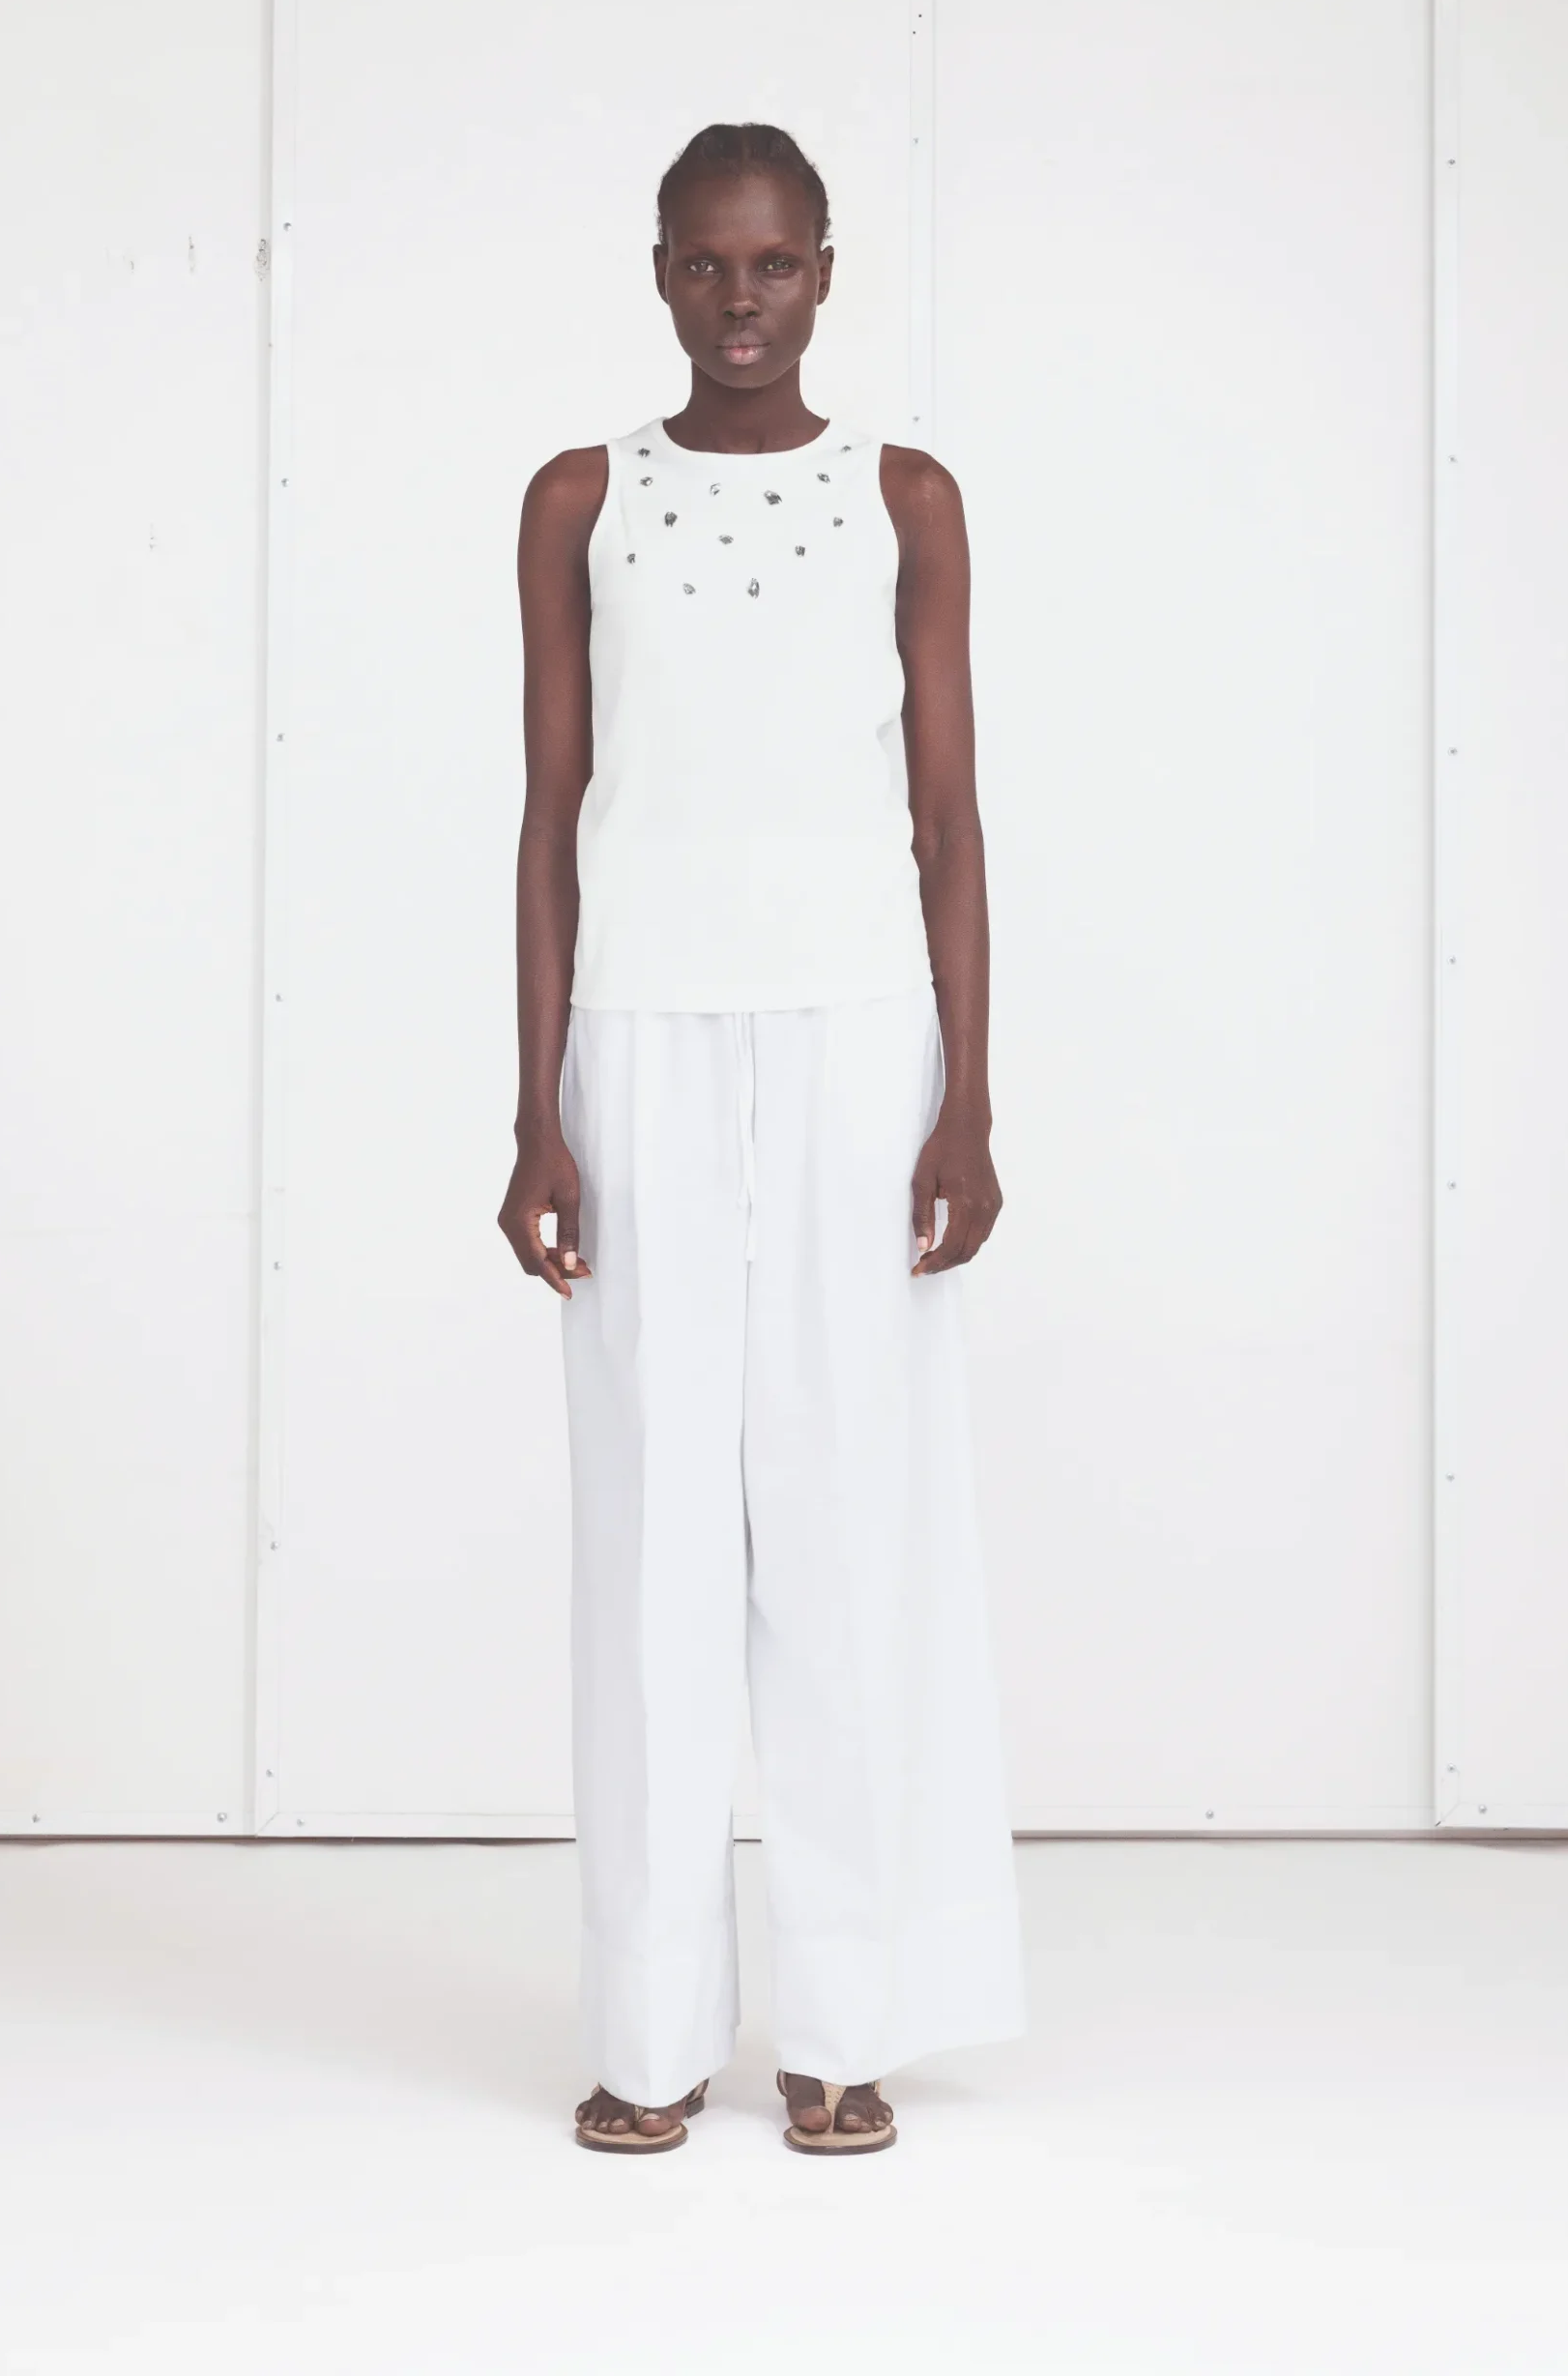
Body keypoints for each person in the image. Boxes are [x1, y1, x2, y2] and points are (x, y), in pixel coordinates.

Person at [499, 122, 1024, 2157]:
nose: (741, 301)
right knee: (648, 1528)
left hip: (854, 1034)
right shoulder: (580, 497)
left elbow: (948, 819)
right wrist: (534, 1106)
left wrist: (967, 1095)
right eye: (707, 265)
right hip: (636, 1032)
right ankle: (646, 2035)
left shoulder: (904, 498)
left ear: (824, 272)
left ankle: (840, 2020)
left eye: (774, 264)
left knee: (840, 1515)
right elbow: (551, 816)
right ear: (658, 271)